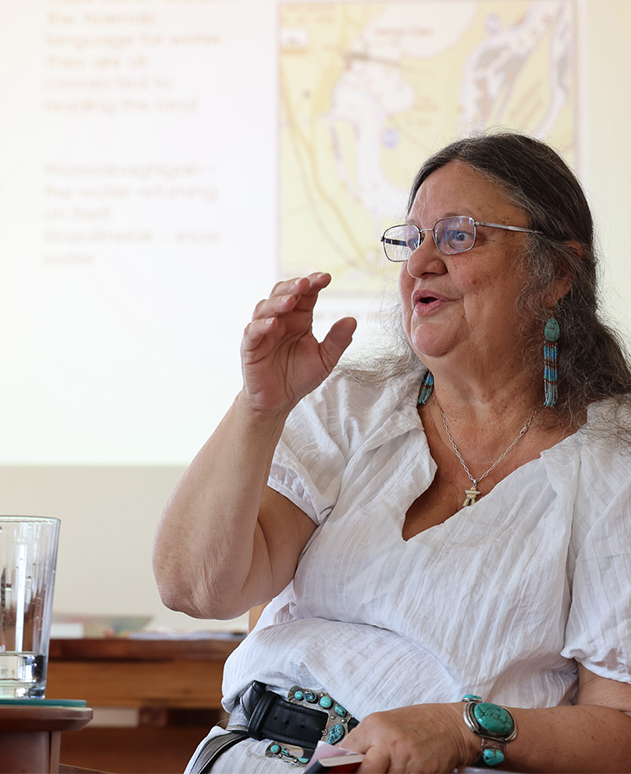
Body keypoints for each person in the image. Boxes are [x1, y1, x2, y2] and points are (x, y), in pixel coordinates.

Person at [156, 134, 631, 773]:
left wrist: (465, 730)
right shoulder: (353, 406)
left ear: (558, 275)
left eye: (459, 235)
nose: (421, 263)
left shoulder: (612, 460)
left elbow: (619, 731)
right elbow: (193, 586)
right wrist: (260, 409)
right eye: (412, 240)